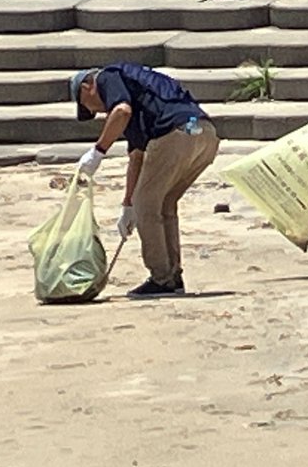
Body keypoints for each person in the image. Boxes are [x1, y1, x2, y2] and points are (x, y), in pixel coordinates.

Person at [70, 63, 220, 299]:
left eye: (88, 104)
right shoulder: (140, 96)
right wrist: (128, 205)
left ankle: (161, 279)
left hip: (177, 131)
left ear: (87, 86)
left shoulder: (108, 77)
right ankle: (172, 276)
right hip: (202, 132)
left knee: (148, 206)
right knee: (164, 202)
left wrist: (98, 152)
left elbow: (121, 111)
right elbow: (137, 158)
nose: (97, 111)